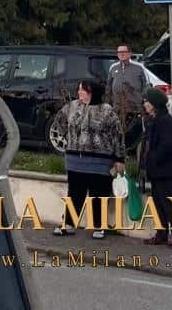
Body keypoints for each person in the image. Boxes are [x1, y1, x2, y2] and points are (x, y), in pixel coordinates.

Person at [52, 79, 125, 239]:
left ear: (92, 92)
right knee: (74, 194)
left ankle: (99, 226)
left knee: (98, 195)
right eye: (79, 89)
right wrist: (71, 138)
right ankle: (69, 224)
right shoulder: (71, 107)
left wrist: (119, 158)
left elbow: (117, 135)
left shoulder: (106, 111)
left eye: (83, 90)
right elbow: (59, 121)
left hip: (100, 162)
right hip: (75, 161)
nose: (79, 92)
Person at [142, 87, 172, 248]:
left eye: (147, 101)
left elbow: (168, 145)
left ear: (154, 103)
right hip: (156, 169)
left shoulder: (165, 120)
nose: (145, 104)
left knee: (169, 203)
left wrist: (153, 158)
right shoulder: (153, 119)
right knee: (158, 203)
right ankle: (161, 234)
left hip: (165, 169)